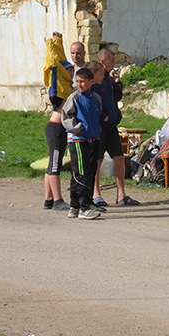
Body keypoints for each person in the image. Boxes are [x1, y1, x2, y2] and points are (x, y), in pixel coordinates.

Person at [91, 47, 139, 207]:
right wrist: (101, 116)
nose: (114, 63)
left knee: (119, 157)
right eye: (112, 60)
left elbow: (115, 97)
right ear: (103, 61)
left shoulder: (108, 78)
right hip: (99, 127)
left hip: (112, 126)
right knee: (97, 161)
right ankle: (95, 194)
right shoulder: (95, 78)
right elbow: (90, 101)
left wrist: (118, 84)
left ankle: (121, 195)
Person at [61, 66, 104, 220]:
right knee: (81, 172)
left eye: (83, 82)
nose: (79, 84)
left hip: (91, 139)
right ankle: (83, 208)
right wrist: (79, 128)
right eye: (77, 81)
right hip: (77, 139)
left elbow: (97, 115)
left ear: (91, 82)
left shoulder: (96, 98)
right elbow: (66, 117)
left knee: (87, 171)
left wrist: (96, 129)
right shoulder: (74, 97)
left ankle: (75, 206)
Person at [42, 32, 73, 212]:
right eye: (68, 70)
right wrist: (51, 44)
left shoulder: (67, 85)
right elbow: (55, 63)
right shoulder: (58, 89)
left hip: (59, 128)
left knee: (53, 163)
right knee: (55, 164)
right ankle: (57, 200)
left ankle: (48, 199)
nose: (70, 71)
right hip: (56, 128)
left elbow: (61, 59)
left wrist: (59, 41)